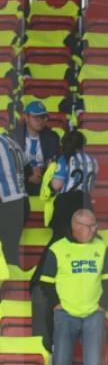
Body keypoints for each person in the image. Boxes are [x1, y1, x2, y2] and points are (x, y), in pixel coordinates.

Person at [37, 209, 108, 365]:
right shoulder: (57, 248)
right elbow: (45, 282)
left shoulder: (101, 247)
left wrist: (103, 305)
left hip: (94, 313)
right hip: (65, 313)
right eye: (90, 226)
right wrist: (56, 304)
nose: (95, 229)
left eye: (95, 225)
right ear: (77, 226)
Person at [45, 130, 99, 244]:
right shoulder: (93, 161)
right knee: (83, 239)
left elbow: (56, 185)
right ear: (82, 144)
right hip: (85, 202)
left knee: (59, 240)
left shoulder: (65, 159)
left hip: (66, 203)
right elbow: (92, 184)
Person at [12, 100, 59, 195]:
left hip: (44, 179)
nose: (40, 121)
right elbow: (10, 163)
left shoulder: (52, 137)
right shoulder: (14, 136)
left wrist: (40, 171)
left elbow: (53, 162)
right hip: (19, 180)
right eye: (36, 117)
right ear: (26, 117)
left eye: (43, 117)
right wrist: (28, 176)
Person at [0, 133, 27, 269]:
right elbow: (27, 168)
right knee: (10, 249)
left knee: (6, 251)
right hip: (21, 201)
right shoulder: (11, 141)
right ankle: (12, 287)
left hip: (6, 203)